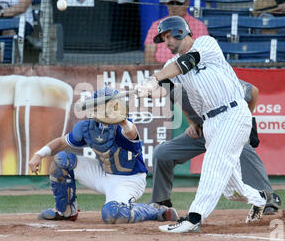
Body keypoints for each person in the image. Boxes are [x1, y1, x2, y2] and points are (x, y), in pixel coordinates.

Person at [136, 16, 274, 233]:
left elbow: (185, 63)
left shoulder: (206, 43)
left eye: (169, 36)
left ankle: (194, 218)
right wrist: (148, 89)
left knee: (213, 160)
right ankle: (260, 198)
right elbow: (165, 89)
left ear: (181, 31)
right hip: (211, 122)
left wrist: (155, 78)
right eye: (163, 38)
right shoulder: (168, 66)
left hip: (233, 113)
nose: (167, 42)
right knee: (232, 190)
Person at [28, 87, 178, 224]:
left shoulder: (124, 126)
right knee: (62, 159)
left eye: (107, 105)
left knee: (113, 214)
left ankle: (156, 210)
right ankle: (65, 211)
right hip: (102, 173)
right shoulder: (87, 127)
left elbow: (132, 133)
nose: (103, 108)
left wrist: (122, 120)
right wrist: (38, 155)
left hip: (129, 180)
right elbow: (62, 142)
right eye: (100, 105)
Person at [150, 80, 282, 215]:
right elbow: (183, 103)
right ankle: (161, 201)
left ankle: (268, 197)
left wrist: (247, 118)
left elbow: (253, 90)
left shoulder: (210, 78)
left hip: (227, 128)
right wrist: (193, 124)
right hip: (203, 131)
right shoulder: (173, 87)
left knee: (243, 150)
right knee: (162, 153)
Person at [144, 0, 208, 64]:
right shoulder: (156, 25)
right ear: (166, 4)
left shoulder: (199, 26)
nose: (174, 7)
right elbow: (149, 57)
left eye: (178, 3)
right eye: (171, 3)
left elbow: (200, 56)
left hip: (187, 70)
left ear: (187, 3)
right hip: (160, 70)